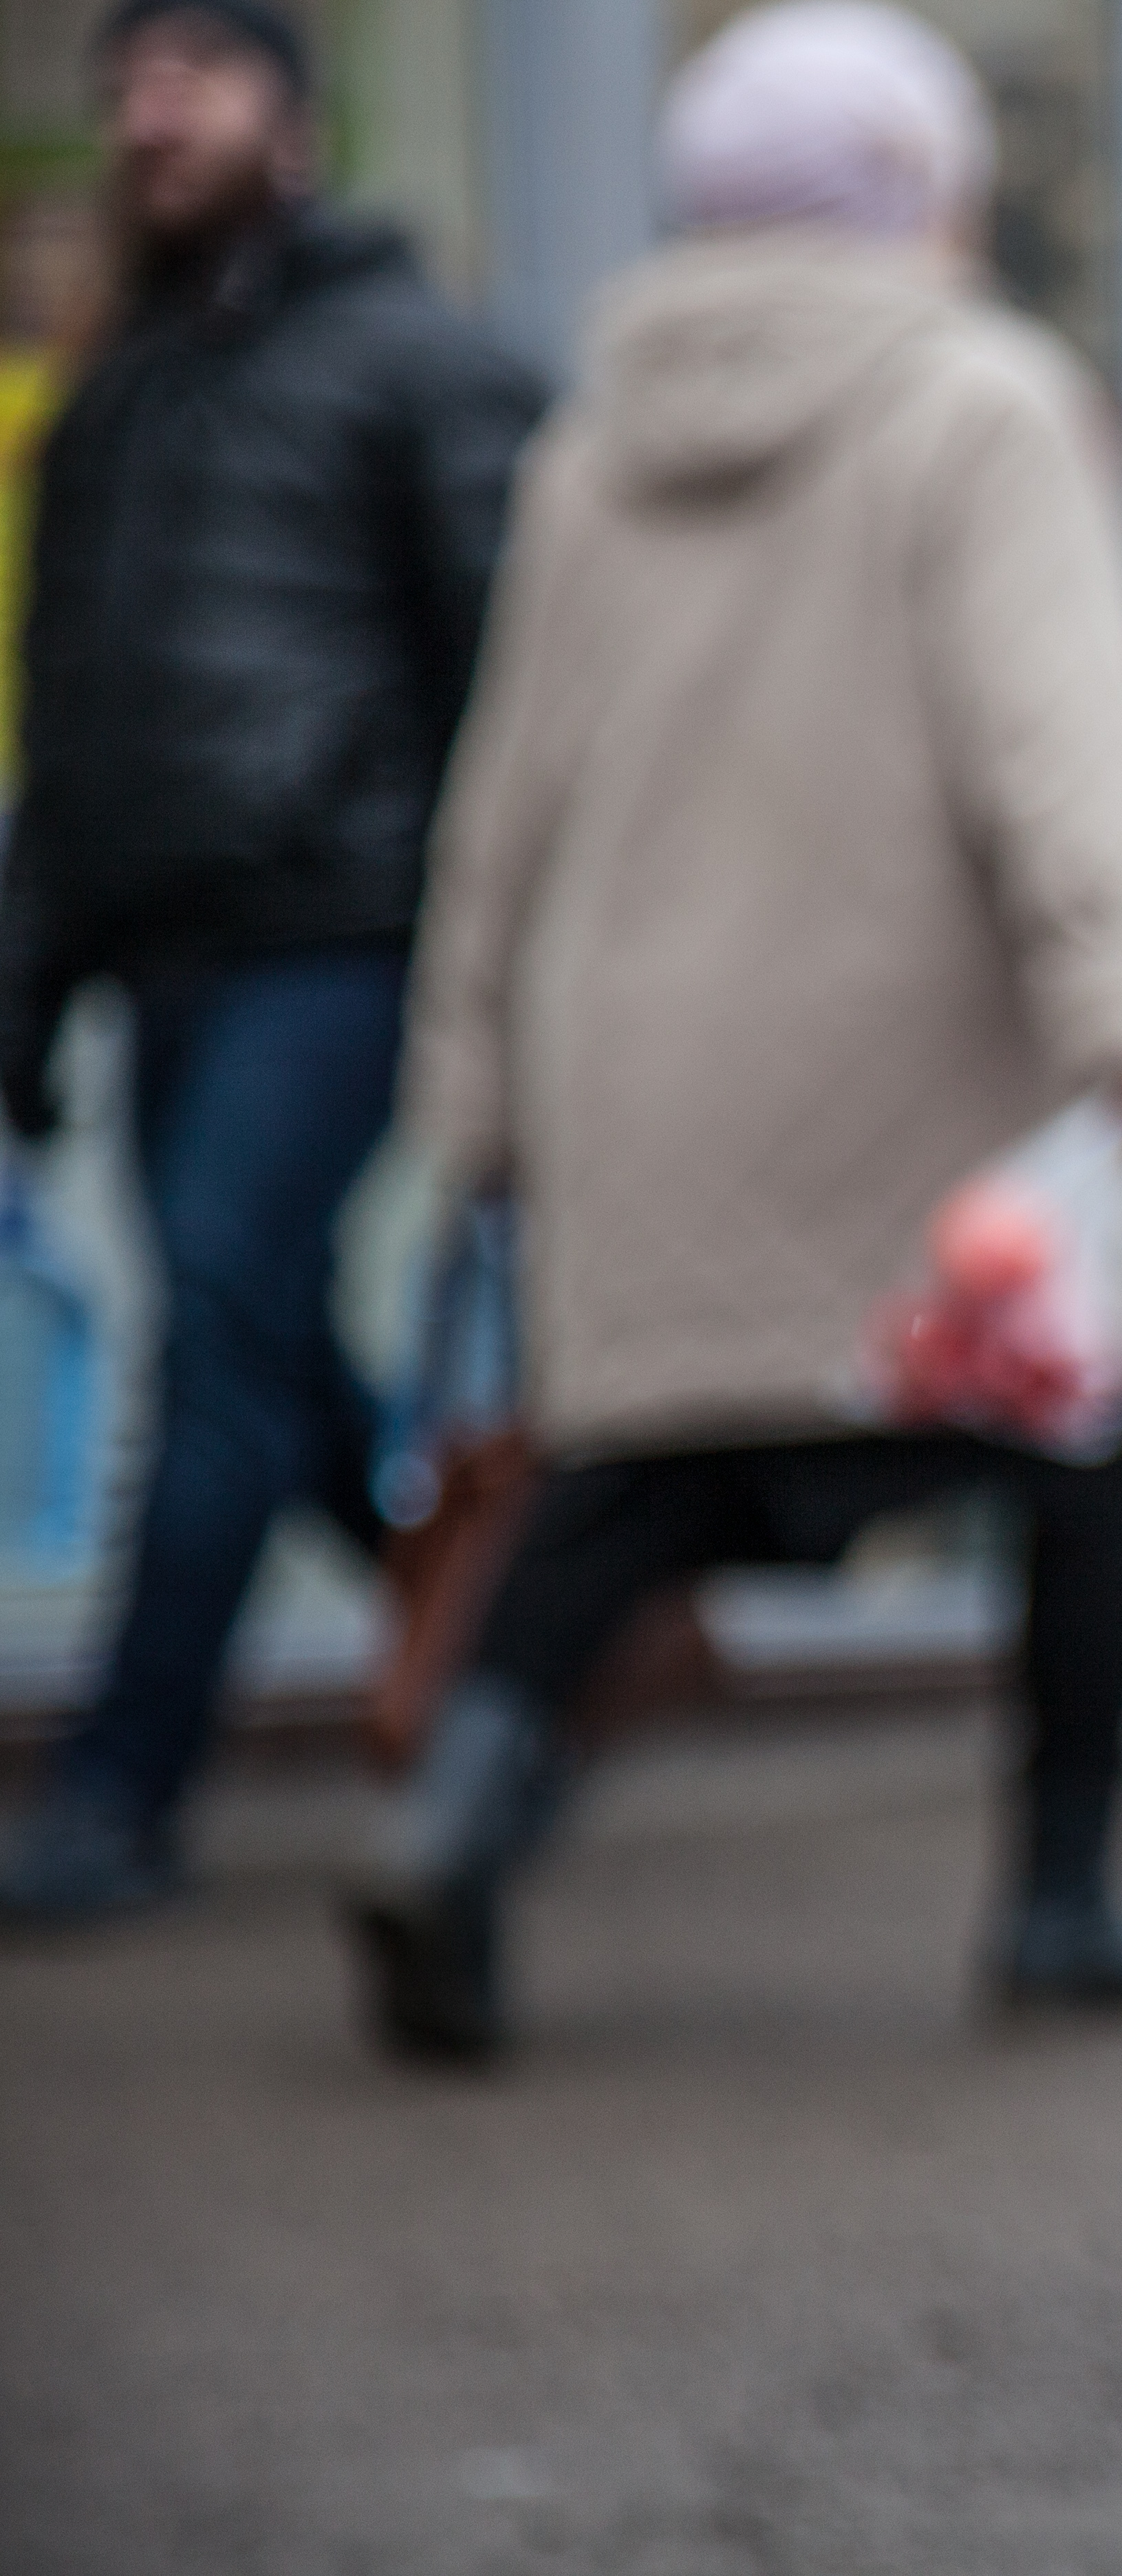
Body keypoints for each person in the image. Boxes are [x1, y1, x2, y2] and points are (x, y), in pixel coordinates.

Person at [344, 0, 1122, 2064]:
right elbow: (1063, 748)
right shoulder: (980, 402)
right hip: (911, 1057)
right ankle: (1061, 1899)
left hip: (639, 1063)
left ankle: (455, 1827)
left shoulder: (590, 449)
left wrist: (471, 1096)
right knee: (1083, 1430)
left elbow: (504, 807)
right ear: (921, 189)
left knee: (630, 1478)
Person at [0, 0, 543, 1922]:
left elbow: (519, 682)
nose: (152, 114)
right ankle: (502, 1663)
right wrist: (33, 972)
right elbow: (70, 724)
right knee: (275, 1354)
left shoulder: (414, 360)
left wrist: (509, 958)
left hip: (344, 930)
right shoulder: (115, 399)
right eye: (126, 82)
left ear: (293, 121)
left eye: (195, 75)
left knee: (218, 1331)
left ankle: (119, 1796)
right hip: (162, 952)